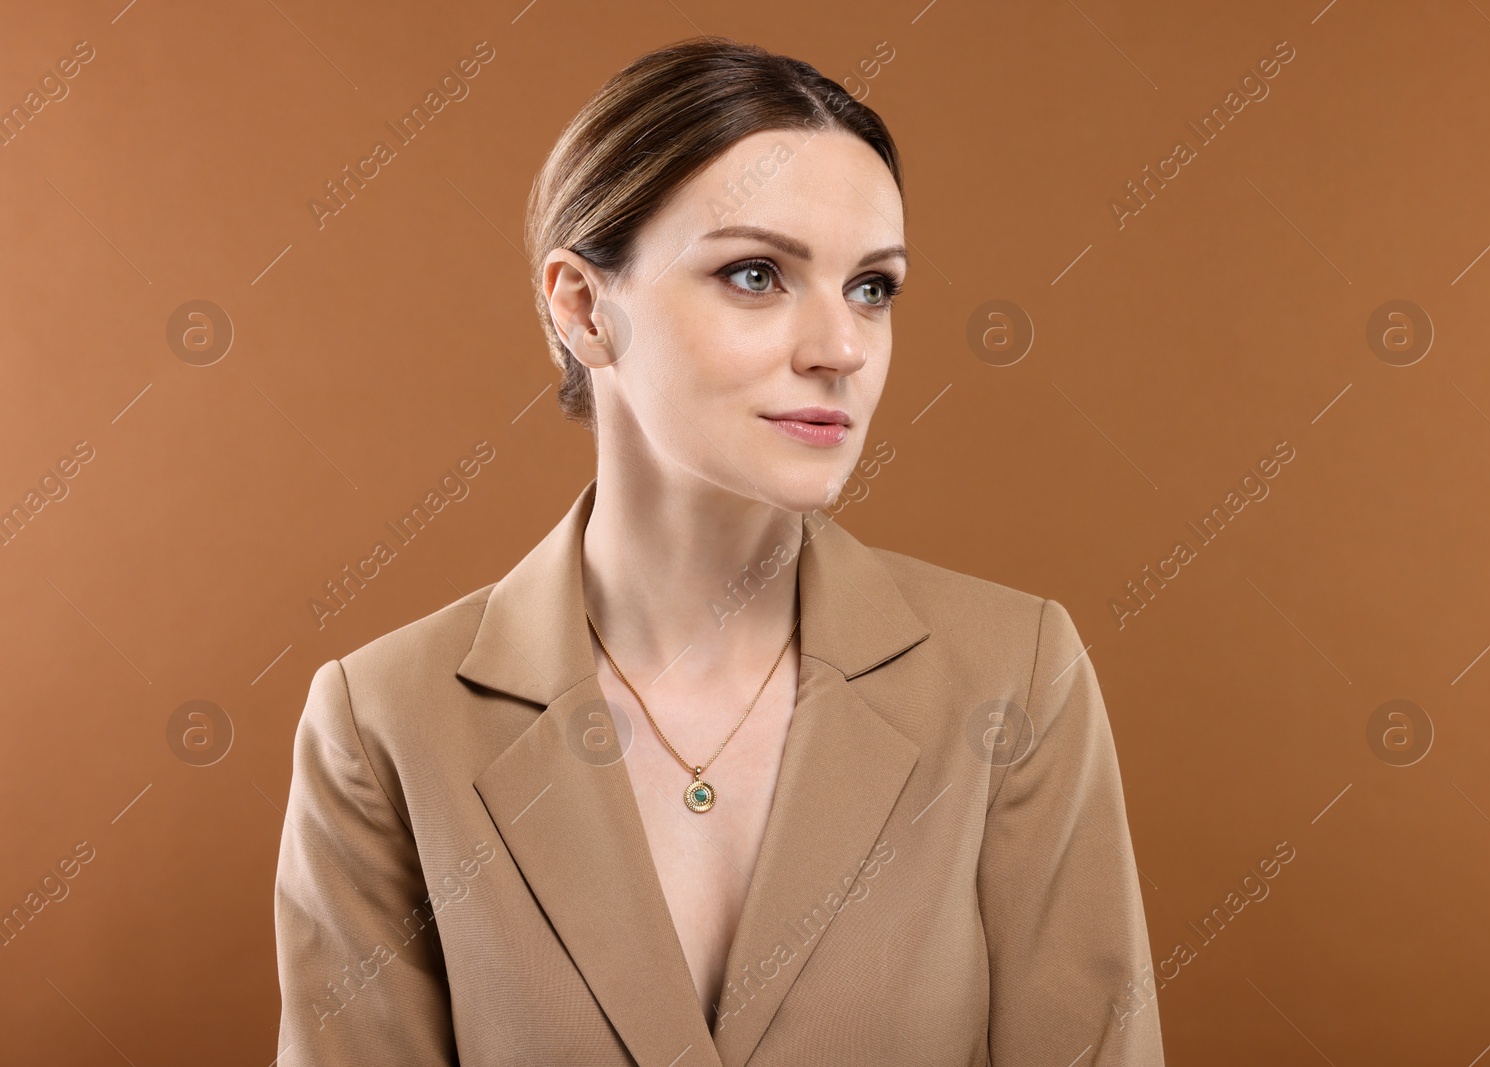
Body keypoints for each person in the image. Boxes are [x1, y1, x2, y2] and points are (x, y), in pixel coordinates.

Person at [273, 35, 1164, 1066]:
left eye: (873, 286)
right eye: (756, 274)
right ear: (582, 306)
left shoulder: (1015, 675)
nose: (839, 347)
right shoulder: (385, 719)